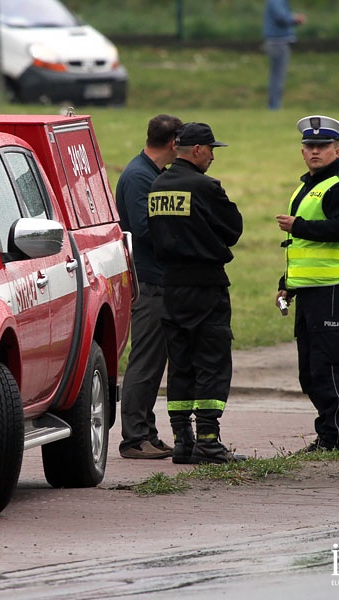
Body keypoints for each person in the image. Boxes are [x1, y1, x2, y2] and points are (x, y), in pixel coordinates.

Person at [147, 122, 246, 464]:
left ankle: (182, 442)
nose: (213, 157)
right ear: (198, 150)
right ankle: (208, 440)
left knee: (181, 365)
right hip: (206, 287)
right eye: (212, 150)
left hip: (171, 288)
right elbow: (233, 229)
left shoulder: (157, 186)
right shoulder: (205, 187)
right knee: (212, 363)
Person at [275, 115, 339, 452]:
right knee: (309, 372)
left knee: (329, 368)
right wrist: (288, 285)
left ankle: (337, 438)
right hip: (309, 291)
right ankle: (328, 434)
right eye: (310, 146)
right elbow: (303, 250)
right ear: (302, 151)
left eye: (322, 146)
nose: (315, 151)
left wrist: (298, 226)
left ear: (337, 150)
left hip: (332, 290)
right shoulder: (306, 187)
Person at [116, 114, 185, 460]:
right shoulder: (139, 177)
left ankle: (148, 432)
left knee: (153, 362)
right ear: (174, 143)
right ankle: (133, 438)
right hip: (148, 283)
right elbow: (144, 229)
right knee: (144, 362)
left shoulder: (150, 173)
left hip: (157, 280)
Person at [263, 0, 306, 110]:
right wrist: (295, 19)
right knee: (278, 76)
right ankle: (274, 106)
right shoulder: (276, 1)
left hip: (278, 42)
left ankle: (275, 105)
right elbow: (281, 17)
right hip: (277, 42)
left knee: (277, 76)